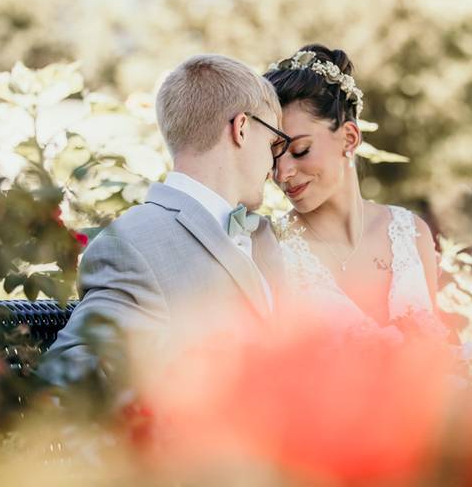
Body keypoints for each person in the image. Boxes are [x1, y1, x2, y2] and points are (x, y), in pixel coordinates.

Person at [38, 54, 288, 385]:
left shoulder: (263, 237)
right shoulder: (131, 246)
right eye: (274, 142)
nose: (275, 164)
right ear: (242, 128)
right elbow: (66, 384)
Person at [263, 45, 441, 334]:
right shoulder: (269, 251)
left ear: (349, 138)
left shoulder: (413, 234)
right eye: (271, 157)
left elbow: (438, 360)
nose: (282, 173)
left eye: (300, 150)